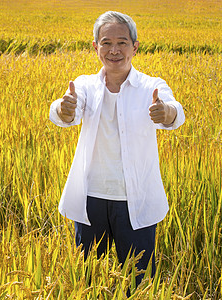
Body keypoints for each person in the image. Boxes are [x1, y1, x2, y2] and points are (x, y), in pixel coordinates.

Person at [49, 11, 185, 287]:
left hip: (136, 199)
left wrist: (165, 112)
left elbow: (175, 113)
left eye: (122, 42)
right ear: (95, 47)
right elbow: (67, 112)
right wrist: (64, 109)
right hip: (91, 198)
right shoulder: (85, 85)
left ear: (135, 47)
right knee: (87, 279)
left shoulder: (152, 86)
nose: (114, 50)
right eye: (106, 42)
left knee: (140, 281)